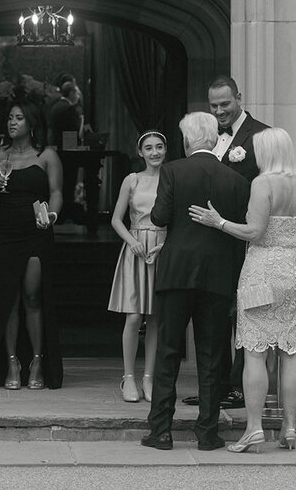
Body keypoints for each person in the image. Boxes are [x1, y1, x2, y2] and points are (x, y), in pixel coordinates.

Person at [189, 127, 296, 452]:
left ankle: (253, 428)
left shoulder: (263, 184)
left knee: (254, 350)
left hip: (262, 272)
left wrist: (218, 222)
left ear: (268, 153)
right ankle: (290, 427)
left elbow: (255, 232)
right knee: (292, 349)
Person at [141, 112, 249, 452]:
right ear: (215, 140)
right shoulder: (236, 180)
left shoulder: (173, 171)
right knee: (212, 355)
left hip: (176, 271)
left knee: (168, 351)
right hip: (218, 274)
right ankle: (207, 433)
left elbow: (159, 217)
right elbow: (240, 233)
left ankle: (161, 431)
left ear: (187, 141)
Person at [192, 74, 271, 411]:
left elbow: (269, 185)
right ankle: (216, 387)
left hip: (243, 237)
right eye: (214, 105)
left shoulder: (262, 135)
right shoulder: (207, 136)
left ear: (239, 97)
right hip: (210, 239)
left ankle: (240, 387)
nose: (219, 111)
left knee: (242, 313)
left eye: (225, 104)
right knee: (213, 313)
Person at [0, 100, 65, 389]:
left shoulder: (47, 156)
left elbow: (56, 192)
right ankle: (12, 362)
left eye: (19, 118)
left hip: (36, 231)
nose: (12, 122)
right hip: (2, 232)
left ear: (32, 123)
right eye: (10, 118)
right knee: (8, 298)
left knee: (32, 295)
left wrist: (51, 217)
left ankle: (37, 362)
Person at [106, 130, 168, 403]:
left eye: (159, 147)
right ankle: (128, 376)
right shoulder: (131, 180)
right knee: (134, 316)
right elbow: (116, 219)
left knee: (155, 317)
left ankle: (149, 377)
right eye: (149, 148)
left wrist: (165, 245)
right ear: (140, 152)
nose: (155, 152)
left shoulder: (171, 178)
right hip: (136, 248)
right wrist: (132, 242)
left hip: (161, 249)